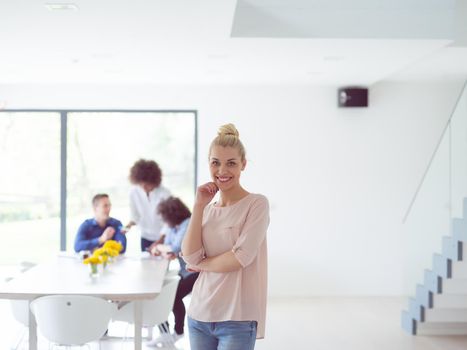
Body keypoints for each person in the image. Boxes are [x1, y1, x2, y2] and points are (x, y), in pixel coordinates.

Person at [181, 123, 270, 350]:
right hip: (199, 315)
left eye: (231, 163)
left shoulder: (256, 204)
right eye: (215, 162)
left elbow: (241, 258)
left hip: (237, 318)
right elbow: (189, 256)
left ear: (243, 165)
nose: (222, 170)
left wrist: (201, 264)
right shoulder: (207, 209)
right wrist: (199, 205)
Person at [147, 196, 199, 347]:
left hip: (196, 271)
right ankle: (166, 333)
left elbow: (175, 247)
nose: (163, 220)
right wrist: (165, 250)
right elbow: (170, 247)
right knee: (161, 293)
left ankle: (177, 332)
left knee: (172, 295)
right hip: (185, 270)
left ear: (171, 214)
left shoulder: (188, 224)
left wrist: (162, 249)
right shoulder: (173, 227)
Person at [124, 159, 171, 252]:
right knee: (146, 264)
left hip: (163, 237)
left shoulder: (165, 194)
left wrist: (160, 240)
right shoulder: (134, 192)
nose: (143, 188)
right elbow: (135, 216)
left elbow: (169, 221)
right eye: (141, 185)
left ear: (154, 181)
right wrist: (128, 226)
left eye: (147, 184)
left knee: (162, 265)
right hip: (145, 237)